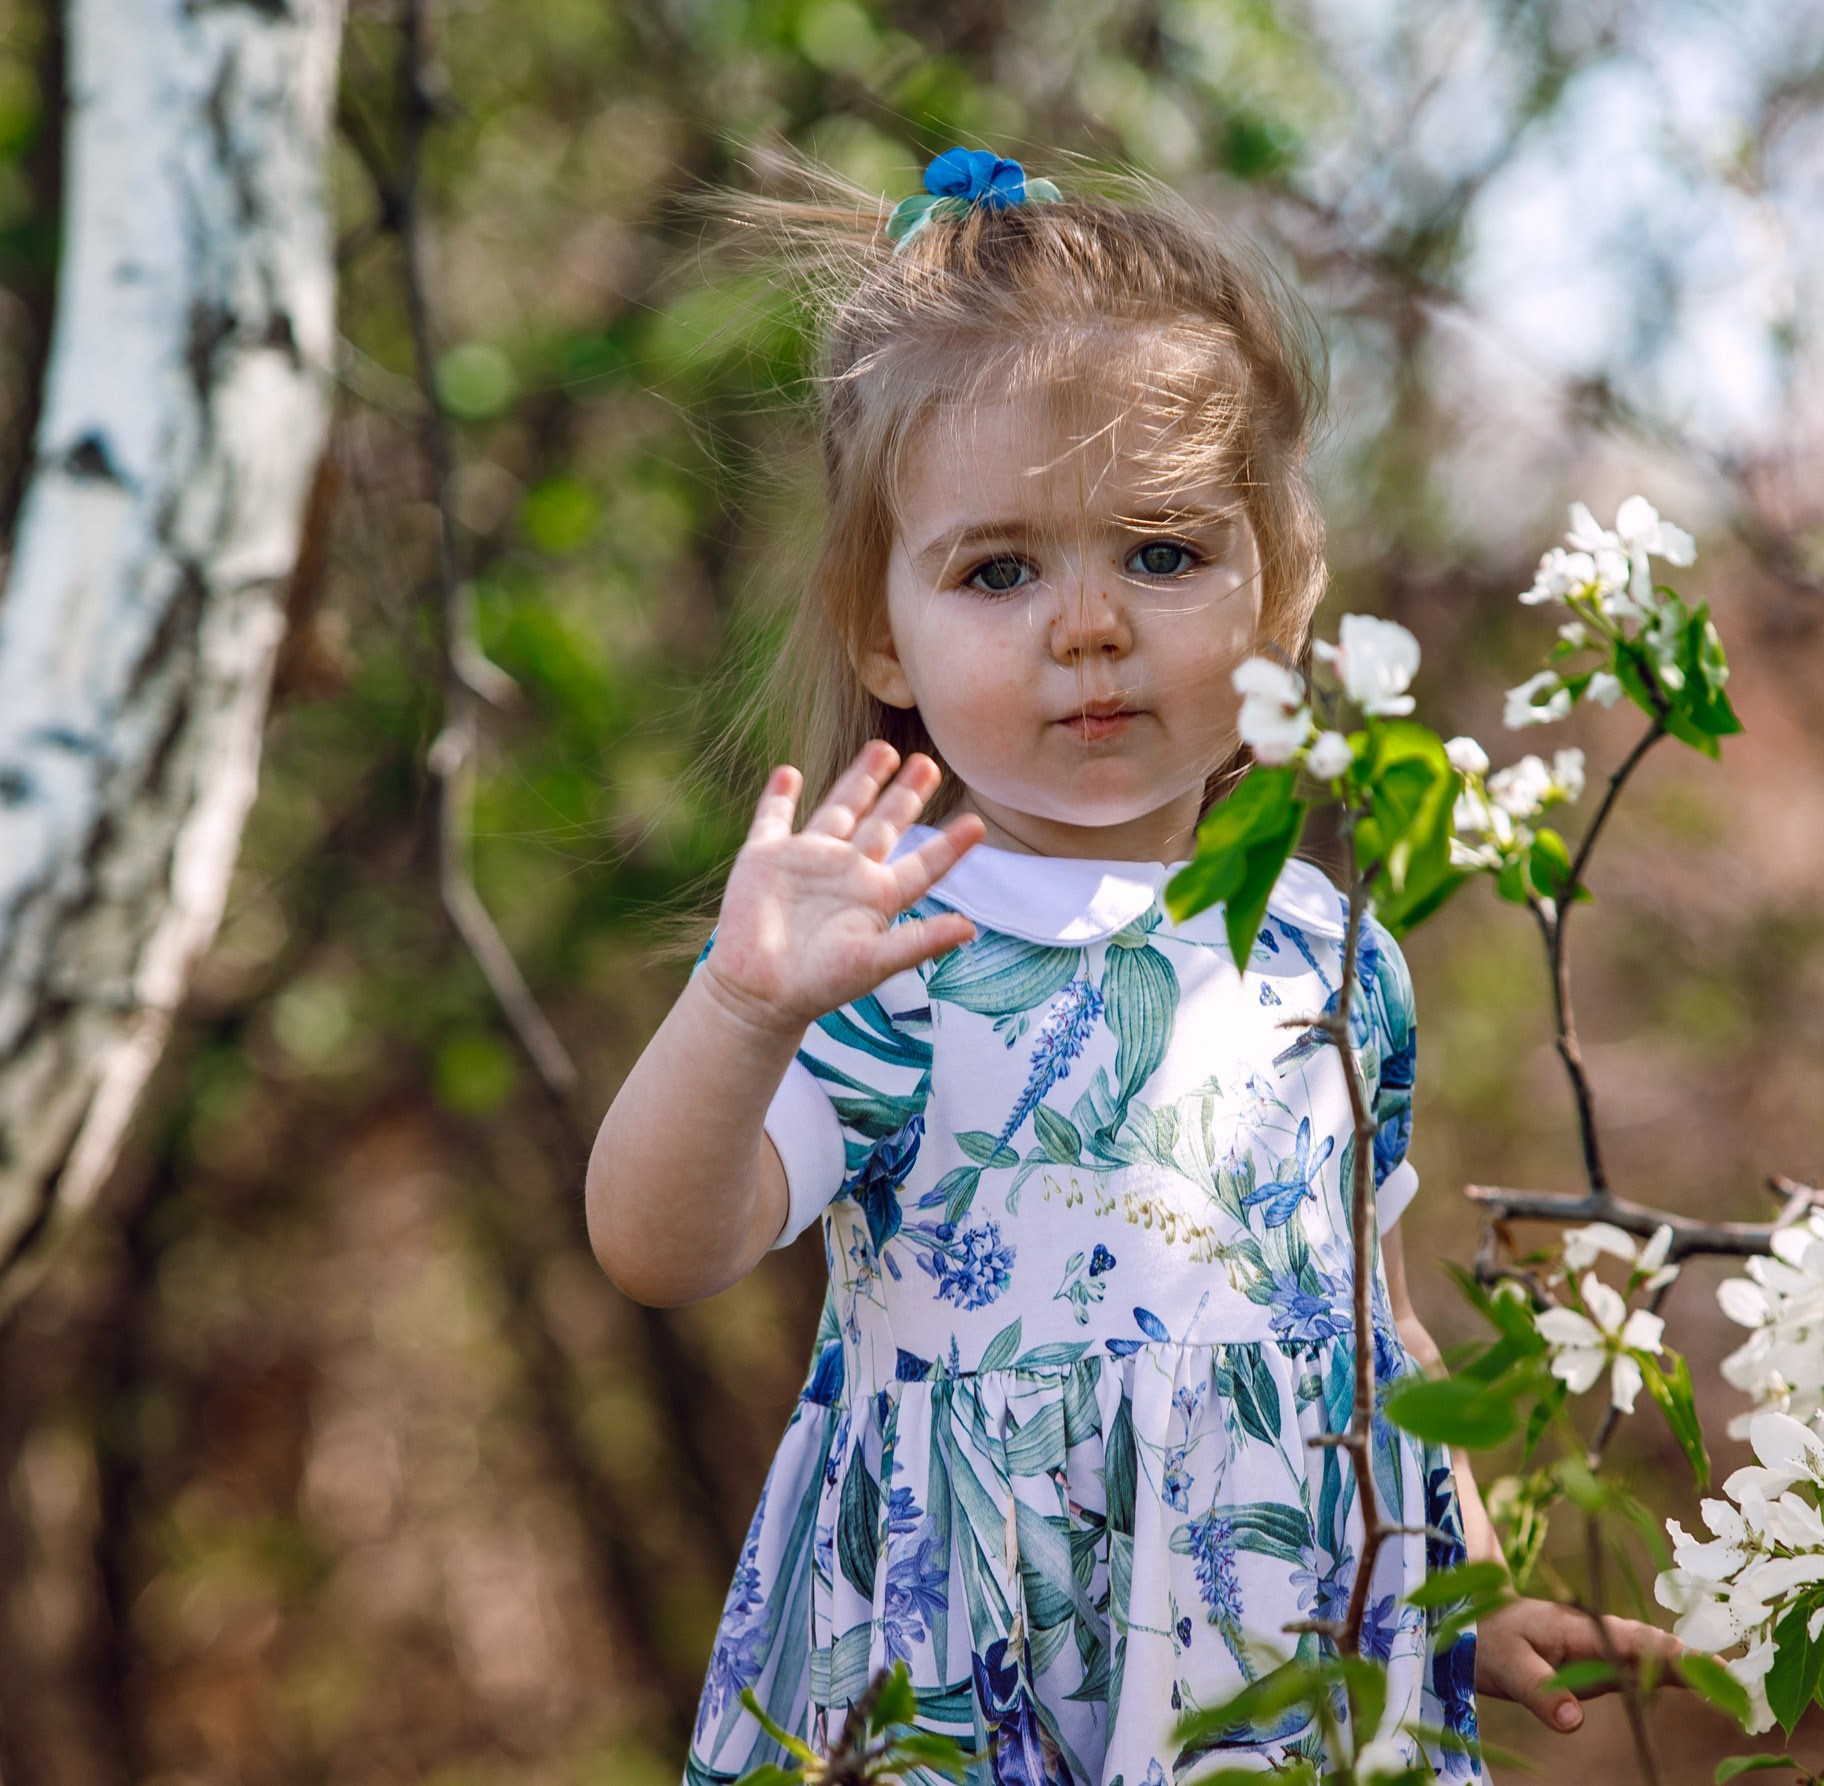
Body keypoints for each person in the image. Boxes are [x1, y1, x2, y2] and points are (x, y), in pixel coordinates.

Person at [586, 146, 1678, 1786]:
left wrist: (1472, 1582)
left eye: (1161, 553)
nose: (1088, 624)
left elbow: (1374, 1325)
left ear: (1277, 587)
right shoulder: (892, 957)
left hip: (1280, 1656)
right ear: (882, 632)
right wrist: (740, 1010)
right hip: (960, 1679)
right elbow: (659, 1245)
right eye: (1000, 569)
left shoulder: (1329, 953)